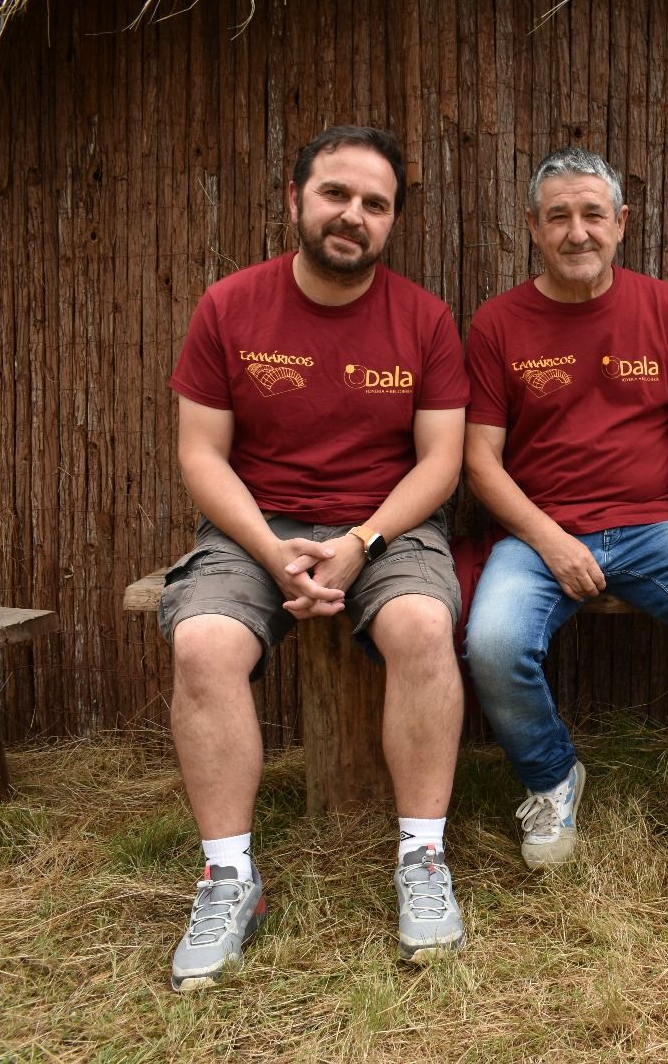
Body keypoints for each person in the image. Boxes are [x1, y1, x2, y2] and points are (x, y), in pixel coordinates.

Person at [158, 126, 471, 988]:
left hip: (386, 525)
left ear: (392, 222)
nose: (353, 215)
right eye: (336, 193)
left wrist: (359, 542)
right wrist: (272, 550)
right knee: (203, 645)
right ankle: (229, 876)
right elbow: (200, 456)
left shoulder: (423, 318)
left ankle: (423, 859)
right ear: (295, 200)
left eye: (375, 204)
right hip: (253, 526)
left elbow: (440, 462)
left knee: (420, 622)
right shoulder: (230, 306)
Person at [463, 147, 668, 925]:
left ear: (621, 225)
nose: (578, 232)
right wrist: (549, 539)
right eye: (560, 216)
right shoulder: (499, 322)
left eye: (593, 215)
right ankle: (550, 779)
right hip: (540, 534)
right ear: (533, 227)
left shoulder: (663, 307)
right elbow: (480, 460)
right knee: (494, 643)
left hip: (655, 528)